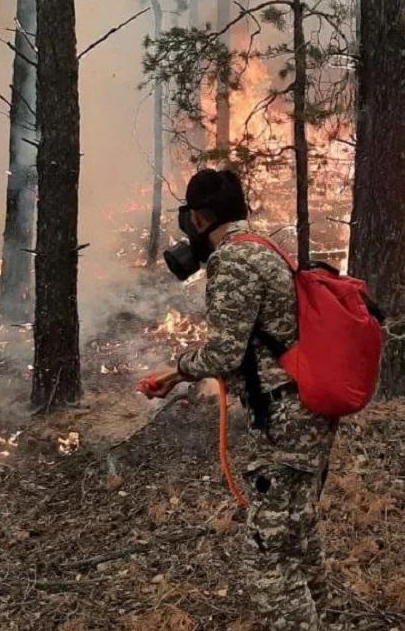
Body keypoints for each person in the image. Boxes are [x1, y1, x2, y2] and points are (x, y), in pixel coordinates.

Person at [143, 169, 335, 629]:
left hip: (288, 420)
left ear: (201, 219)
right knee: (298, 535)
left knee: (266, 559)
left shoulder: (232, 261)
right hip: (306, 411)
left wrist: (178, 370)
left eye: (191, 219)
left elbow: (226, 350)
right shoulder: (265, 248)